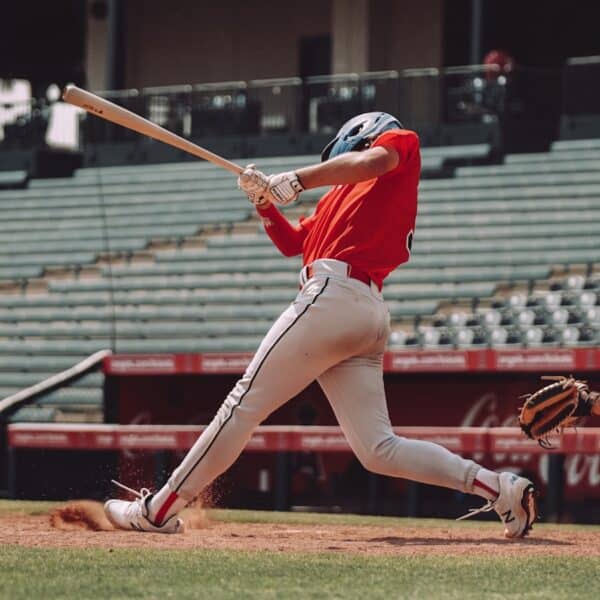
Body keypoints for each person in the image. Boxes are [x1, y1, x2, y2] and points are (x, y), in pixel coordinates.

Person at [104, 112, 537, 538]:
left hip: (335, 298)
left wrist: (296, 178)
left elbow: (370, 162)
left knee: (242, 405)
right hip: (361, 311)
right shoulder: (338, 199)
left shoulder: (398, 143)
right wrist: (263, 202)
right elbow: (293, 243)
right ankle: (499, 488)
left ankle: (157, 510)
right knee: (378, 449)